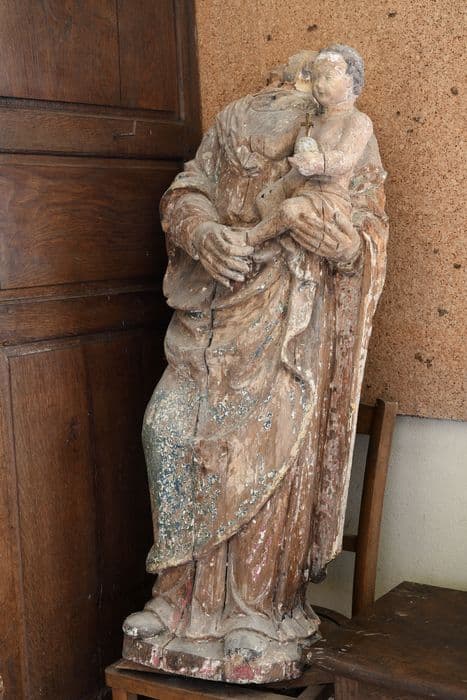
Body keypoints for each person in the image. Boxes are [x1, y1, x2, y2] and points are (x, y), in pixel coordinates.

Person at [123, 46, 388, 683]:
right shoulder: (230, 124)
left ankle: (257, 608)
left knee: (263, 446)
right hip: (212, 310)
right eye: (295, 75)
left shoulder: (348, 129)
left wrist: (348, 247)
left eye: (316, 74)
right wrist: (202, 233)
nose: (300, 84)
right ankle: (177, 596)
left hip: (289, 316)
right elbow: (186, 192)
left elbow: (369, 226)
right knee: (167, 429)